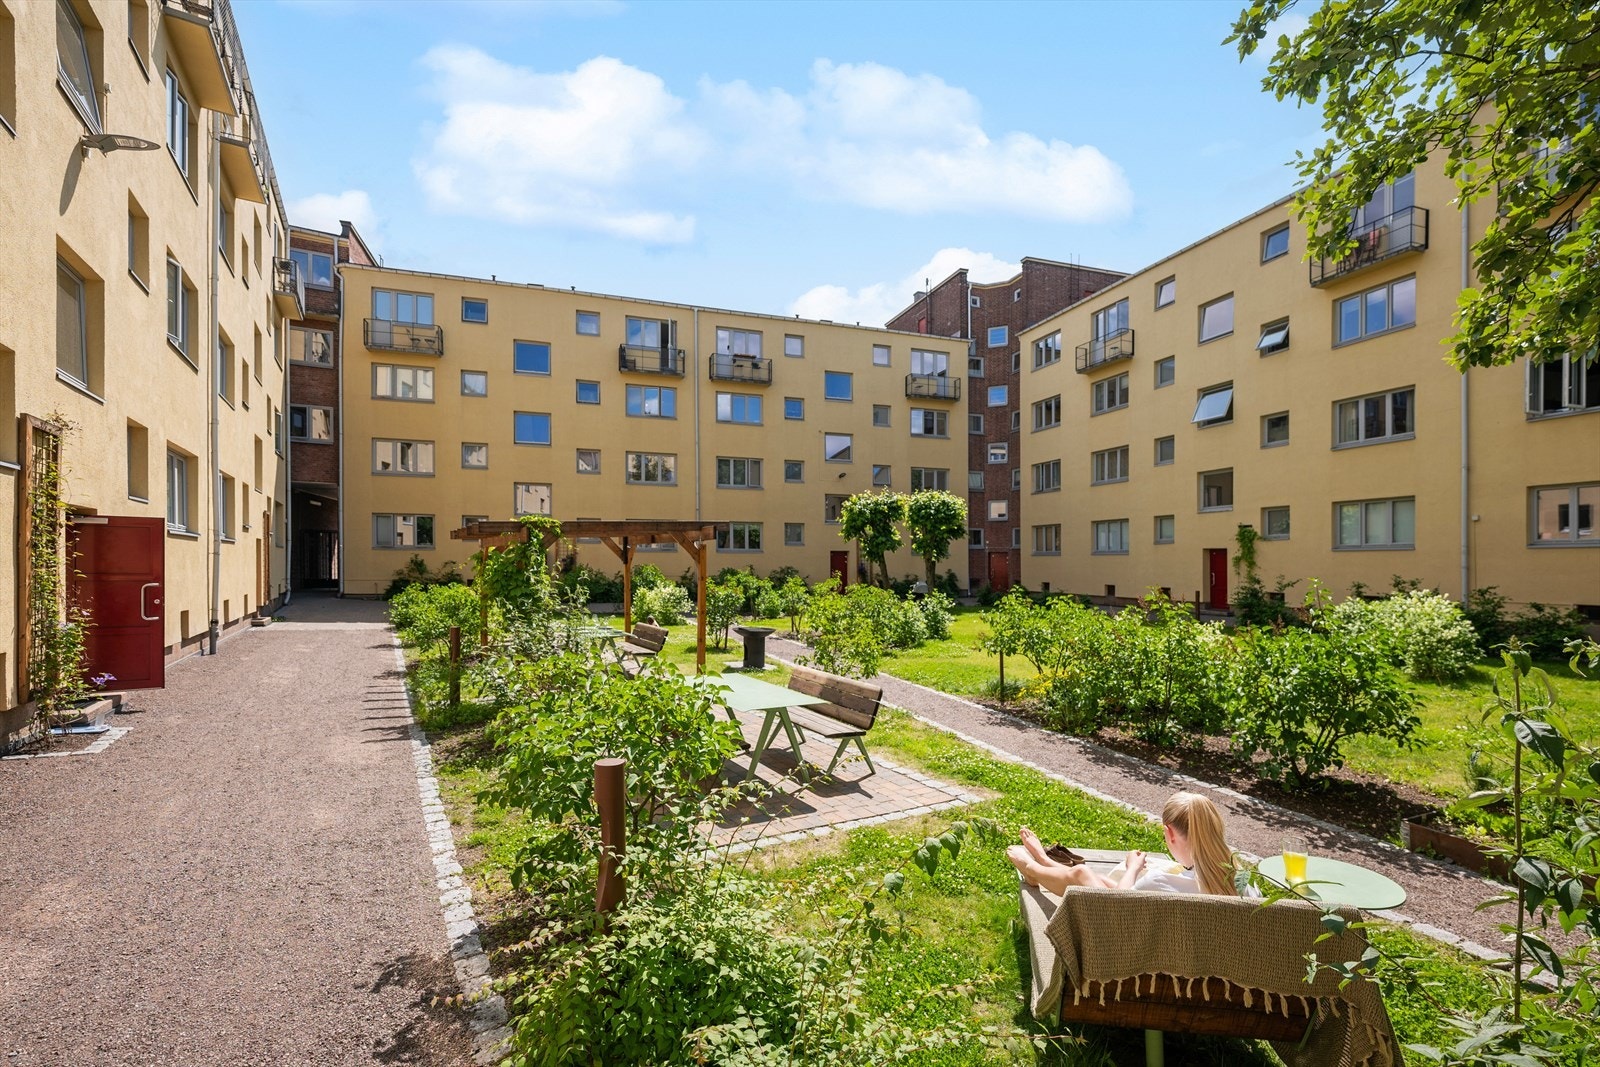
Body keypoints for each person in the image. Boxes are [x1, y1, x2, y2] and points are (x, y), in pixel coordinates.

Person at [1006, 791, 1237, 897]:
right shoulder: (1242, 883)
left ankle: (1032, 868)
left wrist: (1133, 869)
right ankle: (1045, 862)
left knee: (1081, 874)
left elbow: (1120, 904)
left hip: (1135, 955)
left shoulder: (1160, 883)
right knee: (1101, 881)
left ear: (1169, 833)